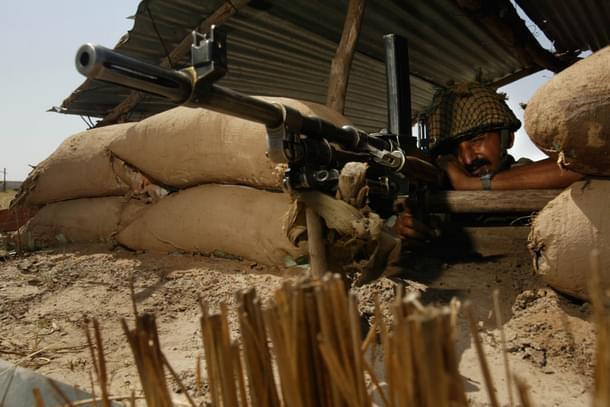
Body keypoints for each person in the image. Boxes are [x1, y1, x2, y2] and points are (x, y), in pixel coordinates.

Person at [393, 82, 583, 240]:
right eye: (454, 150)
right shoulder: (441, 190)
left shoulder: (531, 172)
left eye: (477, 140)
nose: (467, 159)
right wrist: (405, 231)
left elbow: (579, 165)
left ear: (508, 138)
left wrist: (471, 185)